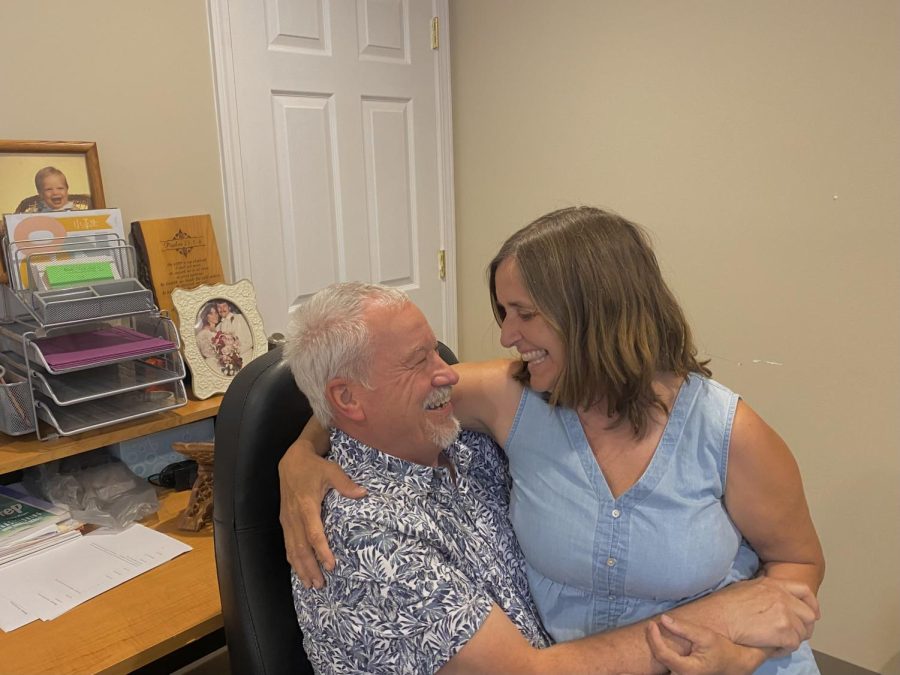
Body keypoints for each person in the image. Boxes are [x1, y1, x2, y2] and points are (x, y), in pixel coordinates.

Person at [281, 207, 825, 673]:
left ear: (594, 315)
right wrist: (298, 455)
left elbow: (797, 565)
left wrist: (740, 654)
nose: (504, 335)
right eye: (503, 312)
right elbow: (364, 406)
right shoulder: (509, 399)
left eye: (524, 313)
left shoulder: (727, 430)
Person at [15, 166, 92, 213]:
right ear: (41, 194)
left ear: (67, 190)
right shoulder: (35, 211)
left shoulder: (74, 211)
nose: (55, 192)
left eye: (60, 188)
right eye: (49, 189)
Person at [216, 300, 253, 367]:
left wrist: (237, 353)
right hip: (228, 362)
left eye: (224, 306)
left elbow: (251, 340)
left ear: (229, 307)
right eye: (219, 307)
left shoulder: (241, 318)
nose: (222, 309)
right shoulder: (218, 327)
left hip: (246, 356)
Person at [195, 302, 225, 374]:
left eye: (216, 313)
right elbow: (207, 354)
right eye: (211, 313)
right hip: (213, 365)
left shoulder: (219, 329)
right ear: (206, 316)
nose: (215, 316)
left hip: (223, 363)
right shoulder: (203, 334)